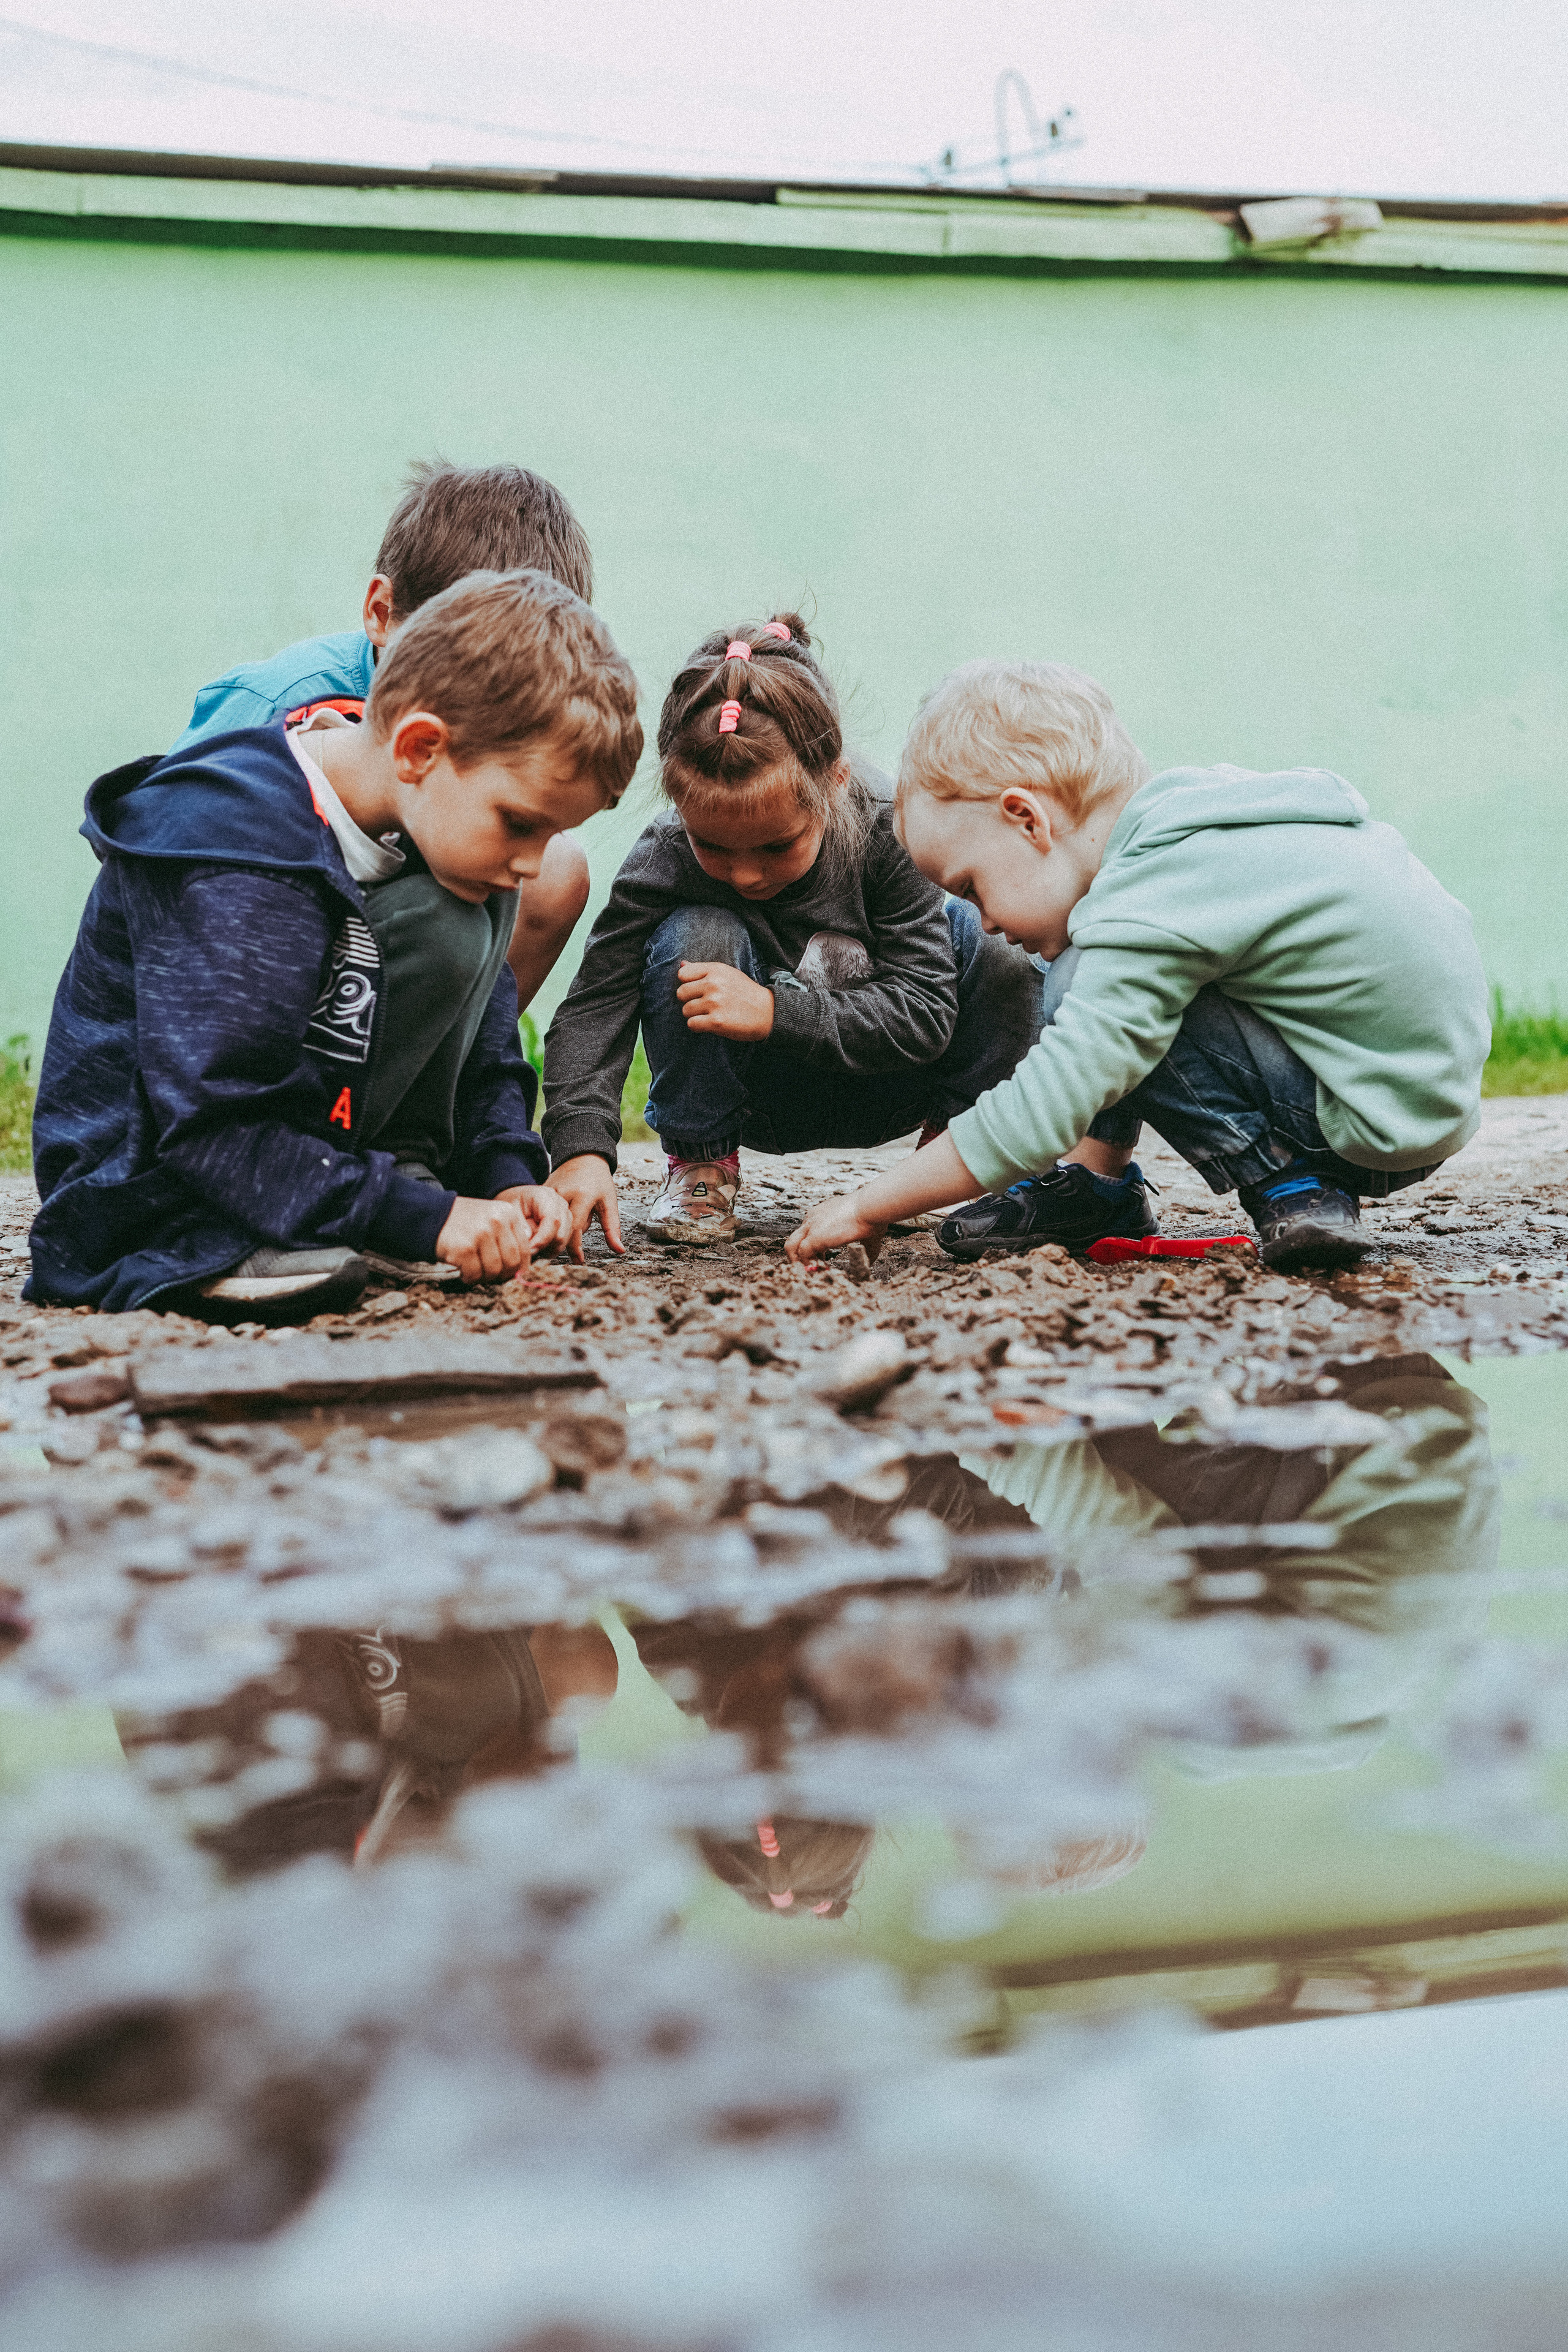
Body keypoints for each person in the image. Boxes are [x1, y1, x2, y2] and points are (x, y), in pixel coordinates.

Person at [28, 570, 643, 1323]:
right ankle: (237, 1238)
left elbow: (487, 1027)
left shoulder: (427, 821)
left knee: (471, 909)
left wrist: (503, 1171)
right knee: (467, 905)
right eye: (520, 823)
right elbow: (213, 1119)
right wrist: (419, 1219)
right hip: (148, 1191)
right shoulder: (246, 851)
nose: (534, 858)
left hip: (293, 1144)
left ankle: (385, 1186)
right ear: (419, 748)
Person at [788, 660, 1490, 1273]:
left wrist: (870, 1202)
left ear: (1027, 819)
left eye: (971, 887)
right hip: (1418, 1099)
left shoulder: (1149, 897)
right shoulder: (1197, 824)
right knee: (1108, 981)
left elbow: (1050, 1100)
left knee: (1083, 985)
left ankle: (1289, 1181)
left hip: (1362, 1126)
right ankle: (1098, 1188)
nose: (985, 924)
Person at [541, 615, 1045, 1254]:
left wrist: (774, 1010)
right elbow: (595, 1005)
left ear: (833, 782)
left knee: (996, 938)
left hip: (892, 1082)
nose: (745, 873)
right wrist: (580, 1147)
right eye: (712, 847)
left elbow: (925, 1011)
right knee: (697, 931)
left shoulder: (888, 828)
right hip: (760, 1099)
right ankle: (701, 1166)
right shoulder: (666, 856)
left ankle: (950, 1162)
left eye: (778, 846)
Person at [171, 459, 598, 1014]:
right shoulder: (276, 705)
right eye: (464, 661)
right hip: (257, 948)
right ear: (383, 612)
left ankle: (450, 1062)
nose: (485, 703)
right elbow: (161, 862)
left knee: (557, 872)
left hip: (402, 933)